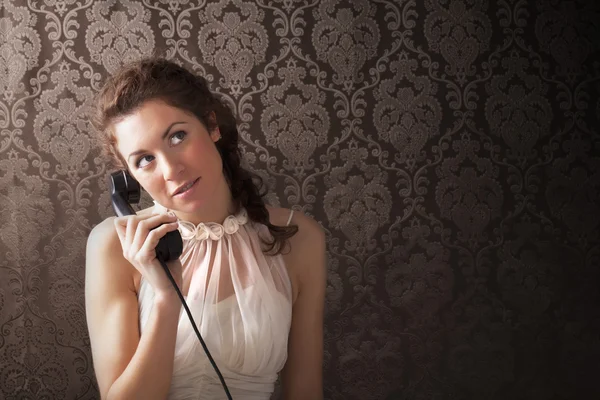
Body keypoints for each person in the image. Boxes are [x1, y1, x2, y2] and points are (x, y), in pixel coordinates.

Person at [84, 56, 326, 400]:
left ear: (212, 125)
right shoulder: (113, 243)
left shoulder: (299, 239)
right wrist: (166, 298)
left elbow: (305, 393)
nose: (171, 170)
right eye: (144, 160)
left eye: (177, 136)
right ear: (128, 179)